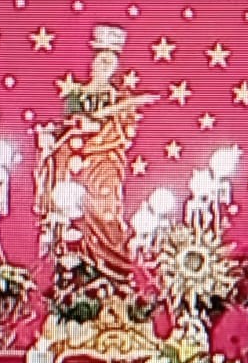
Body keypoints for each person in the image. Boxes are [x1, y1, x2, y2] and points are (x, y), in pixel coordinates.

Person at [32, 24, 157, 285]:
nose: (104, 66)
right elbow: (68, 124)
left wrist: (112, 119)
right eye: (101, 60)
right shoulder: (77, 94)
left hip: (105, 161)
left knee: (105, 210)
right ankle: (75, 273)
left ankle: (112, 270)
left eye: (110, 62)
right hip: (76, 161)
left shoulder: (119, 97)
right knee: (71, 216)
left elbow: (124, 130)